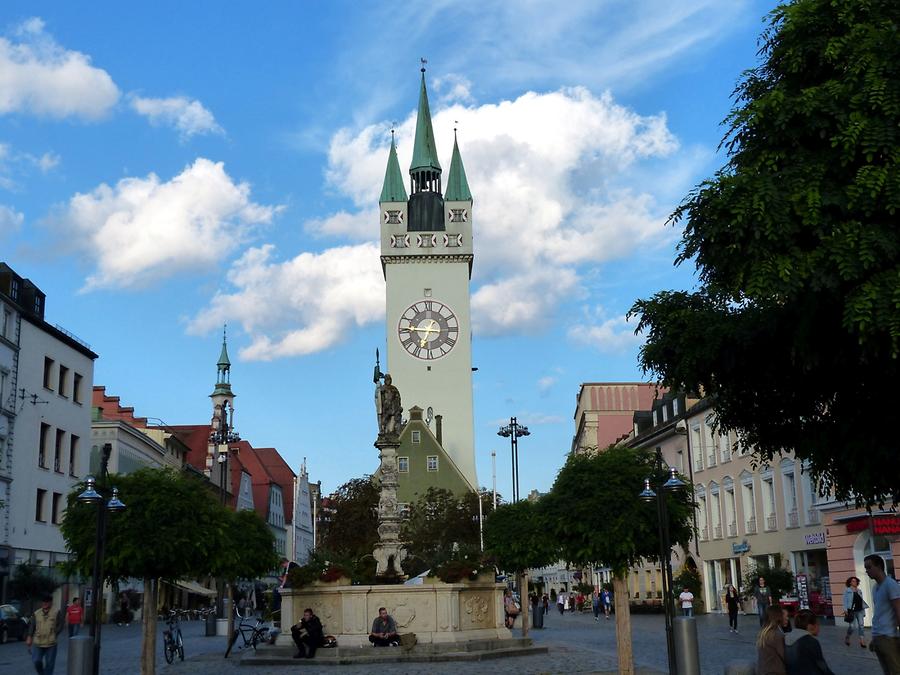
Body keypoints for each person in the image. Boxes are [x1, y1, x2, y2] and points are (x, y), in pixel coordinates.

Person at [864, 553, 900, 674]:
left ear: (879, 566)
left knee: (895, 671)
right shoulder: (875, 588)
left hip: (889, 637)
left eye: (869, 567)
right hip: (879, 637)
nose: (867, 571)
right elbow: (879, 614)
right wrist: (874, 638)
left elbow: (898, 610)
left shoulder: (890, 585)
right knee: (887, 671)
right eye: (865, 568)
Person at [785, 609, 835, 675]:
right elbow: (822, 666)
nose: (819, 627)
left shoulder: (786, 638)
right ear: (810, 626)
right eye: (817, 624)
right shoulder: (811, 642)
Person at [26, 594, 64, 675]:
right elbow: (32, 625)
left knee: (50, 664)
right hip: (38, 642)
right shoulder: (37, 613)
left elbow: (60, 624)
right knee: (36, 661)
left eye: (47, 602)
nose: (44, 603)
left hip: (51, 643)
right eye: (43, 601)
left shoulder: (56, 612)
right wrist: (29, 636)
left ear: (51, 602)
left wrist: (55, 633)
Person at [757, 605, 788, 675]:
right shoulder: (777, 635)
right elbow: (786, 657)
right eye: (785, 616)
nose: (787, 618)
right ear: (779, 617)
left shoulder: (765, 633)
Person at [842, 575, 868, 648]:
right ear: (850, 583)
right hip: (851, 611)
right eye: (853, 581)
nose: (855, 582)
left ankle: (862, 640)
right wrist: (845, 609)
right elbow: (844, 601)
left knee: (861, 625)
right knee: (852, 627)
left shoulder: (859, 591)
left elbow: (861, 601)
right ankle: (848, 636)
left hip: (859, 610)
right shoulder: (847, 591)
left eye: (856, 581)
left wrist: (864, 612)